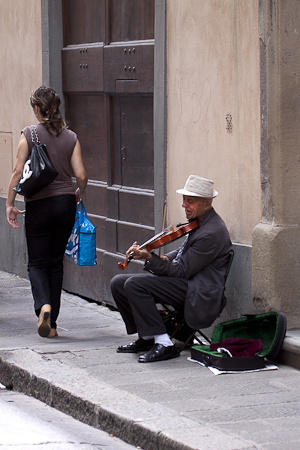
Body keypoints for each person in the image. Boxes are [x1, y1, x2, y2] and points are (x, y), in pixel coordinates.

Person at [110, 174, 233, 363]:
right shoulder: (201, 222)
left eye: (190, 201)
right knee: (118, 283)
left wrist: (150, 257)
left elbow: (181, 271)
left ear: (207, 204)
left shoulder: (212, 232)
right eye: (184, 200)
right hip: (188, 281)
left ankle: (164, 343)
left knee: (135, 284)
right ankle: (147, 337)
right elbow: (185, 250)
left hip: (198, 291)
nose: (184, 205)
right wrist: (167, 257)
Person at [6, 86, 87, 338]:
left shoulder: (29, 134)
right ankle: (52, 326)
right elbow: (81, 175)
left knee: (37, 263)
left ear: (39, 109)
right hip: (65, 204)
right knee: (55, 263)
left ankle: (44, 306)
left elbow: (18, 172)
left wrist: (10, 204)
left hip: (39, 205)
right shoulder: (71, 137)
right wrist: (79, 192)